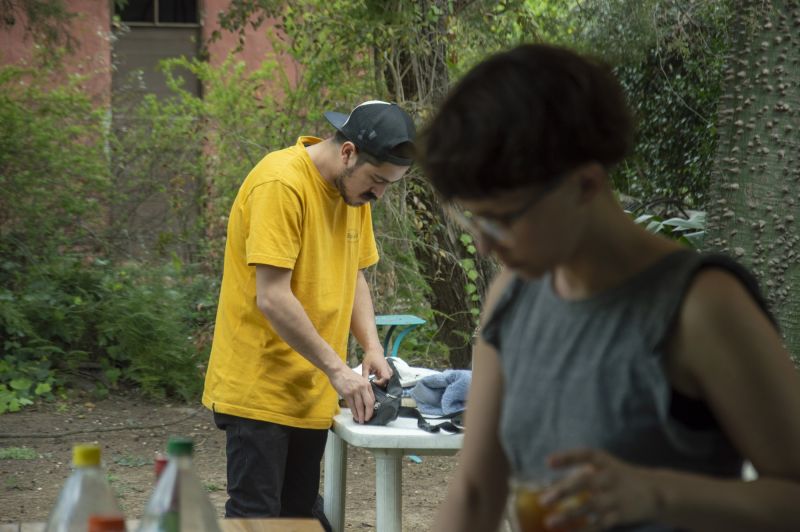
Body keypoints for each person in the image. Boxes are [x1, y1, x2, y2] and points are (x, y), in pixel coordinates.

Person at [420, 44, 800, 532]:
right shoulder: (512, 297)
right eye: (475, 220)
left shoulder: (700, 306)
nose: (486, 247)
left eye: (503, 220)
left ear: (585, 184)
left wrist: (661, 494)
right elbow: (474, 495)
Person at [202, 100, 416, 526]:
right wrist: (338, 370)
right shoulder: (280, 183)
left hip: (310, 389)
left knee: (298, 519)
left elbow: (353, 274)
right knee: (259, 522)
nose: (379, 193)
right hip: (258, 391)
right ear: (347, 152)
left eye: (389, 184)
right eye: (377, 180)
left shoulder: (354, 196)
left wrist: (371, 346)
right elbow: (273, 297)